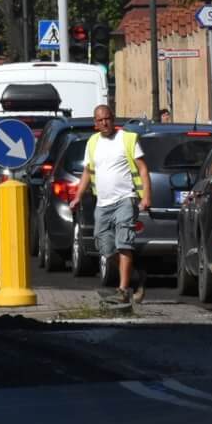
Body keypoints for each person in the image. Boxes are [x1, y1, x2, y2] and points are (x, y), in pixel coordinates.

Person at [83, 103, 150, 307]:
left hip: (125, 199)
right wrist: (77, 195)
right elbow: (87, 171)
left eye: (108, 118)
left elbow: (143, 169)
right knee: (106, 247)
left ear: (113, 119)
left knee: (124, 243)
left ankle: (123, 290)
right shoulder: (93, 142)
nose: (105, 123)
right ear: (95, 123)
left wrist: (146, 196)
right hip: (103, 203)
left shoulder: (127, 139)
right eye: (100, 120)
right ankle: (136, 277)